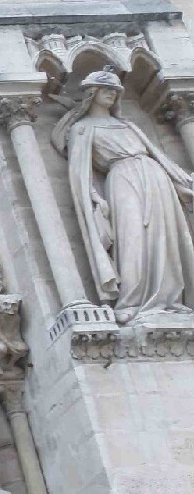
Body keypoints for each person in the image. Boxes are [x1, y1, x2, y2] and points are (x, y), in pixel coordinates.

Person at [53, 65, 194, 323]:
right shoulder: (82, 129)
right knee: (132, 238)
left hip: (154, 177)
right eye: (106, 89)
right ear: (92, 92)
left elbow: (156, 154)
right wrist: (94, 198)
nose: (111, 94)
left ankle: (168, 300)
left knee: (164, 237)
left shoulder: (127, 125)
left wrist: (180, 181)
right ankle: (133, 299)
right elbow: (79, 175)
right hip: (122, 178)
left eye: (115, 90)